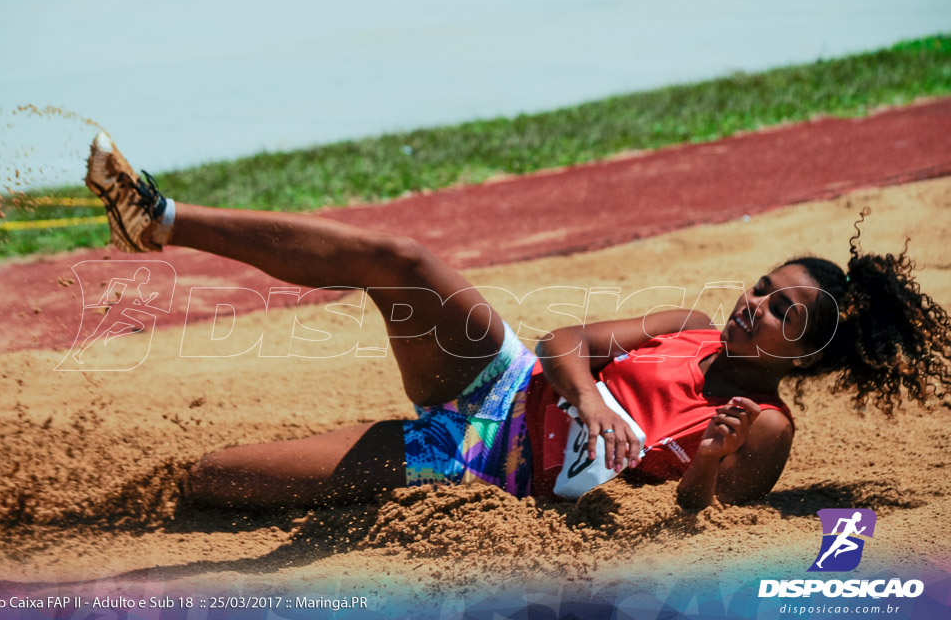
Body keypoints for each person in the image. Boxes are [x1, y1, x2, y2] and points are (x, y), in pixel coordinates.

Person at [83, 132, 951, 512]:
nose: (751, 306)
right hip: (502, 381)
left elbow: (696, 515)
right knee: (403, 258)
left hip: (481, 466)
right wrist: (590, 402)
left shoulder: (765, 427)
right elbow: (563, 343)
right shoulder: (688, 323)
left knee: (214, 479)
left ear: (802, 357)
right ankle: (159, 217)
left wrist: (713, 461)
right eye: (762, 287)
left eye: (779, 313)